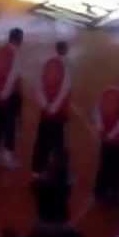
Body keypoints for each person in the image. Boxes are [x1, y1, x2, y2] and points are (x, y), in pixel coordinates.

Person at [0, 28, 25, 167]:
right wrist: (8, 94)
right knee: (10, 125)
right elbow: (14, 78)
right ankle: (7, 156)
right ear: (18, 39)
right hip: (10, 96)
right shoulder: (17, 55)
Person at [32, 41, 71, 175]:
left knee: (42, 140)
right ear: (65, 50)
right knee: (57, 143)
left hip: (45, 112)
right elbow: (65, 90)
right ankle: (56, 171)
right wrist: (53, 108)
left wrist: (45, 105)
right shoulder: (66, 66)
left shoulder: (46, 64)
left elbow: (37, 86)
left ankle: (36, 170)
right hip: (58, 113)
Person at [94, 74, 119, 204]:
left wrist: (102, 131)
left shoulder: (107, 92)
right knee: (116, 168)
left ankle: (99, 192)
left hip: (105, 139)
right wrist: (111, 136)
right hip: (117, 141)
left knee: (103, 165)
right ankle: (113, 195)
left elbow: (97, 111)